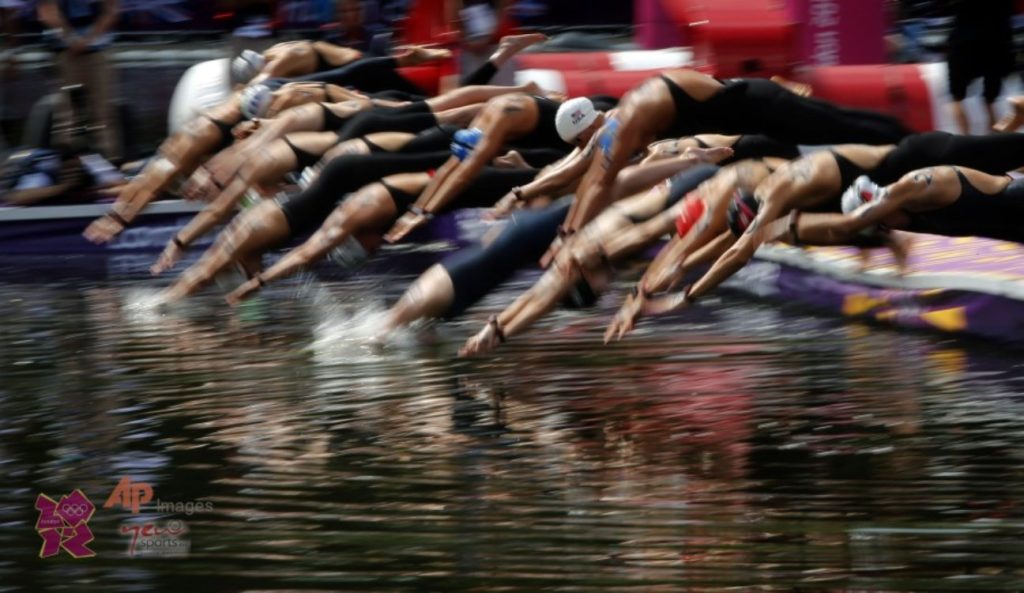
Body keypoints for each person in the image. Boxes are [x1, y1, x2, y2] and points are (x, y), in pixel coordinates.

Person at [547, 69, 913, 266]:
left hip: (759, 120)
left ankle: (910, 148)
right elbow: (590, 176)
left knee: (845, 131)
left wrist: (571, 236)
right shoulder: (618, 126)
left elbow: (596, 181)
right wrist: (568, 232)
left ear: (588, 130)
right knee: (840, 130)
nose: (585, 150)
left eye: (580, 142)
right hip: (754, 123)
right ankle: (901, 158)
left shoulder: (626, 130)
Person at [383, 92, 618, 242]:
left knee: (561, 179)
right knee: (550, 175)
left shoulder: (494, 125)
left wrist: (425, 212)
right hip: (561, 125)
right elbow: (452, 167)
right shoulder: (486, 123)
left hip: (569, 126)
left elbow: (464, 175)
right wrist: (417, 210)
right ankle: (521, 167)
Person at [37, 0, 121, 162]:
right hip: (65, 52)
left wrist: (86, 40)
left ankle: (108, 163)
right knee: (66, 114)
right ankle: (67, 165)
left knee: (102, 113)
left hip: (97, 51)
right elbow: (46, 11)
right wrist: (71, 39)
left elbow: (111, 11)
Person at [945, 0, 1014, 134]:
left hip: (964, 42)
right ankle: (995, 141)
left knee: (956, 97)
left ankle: (965, 141)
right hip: (996, 43)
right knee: (990, 99)